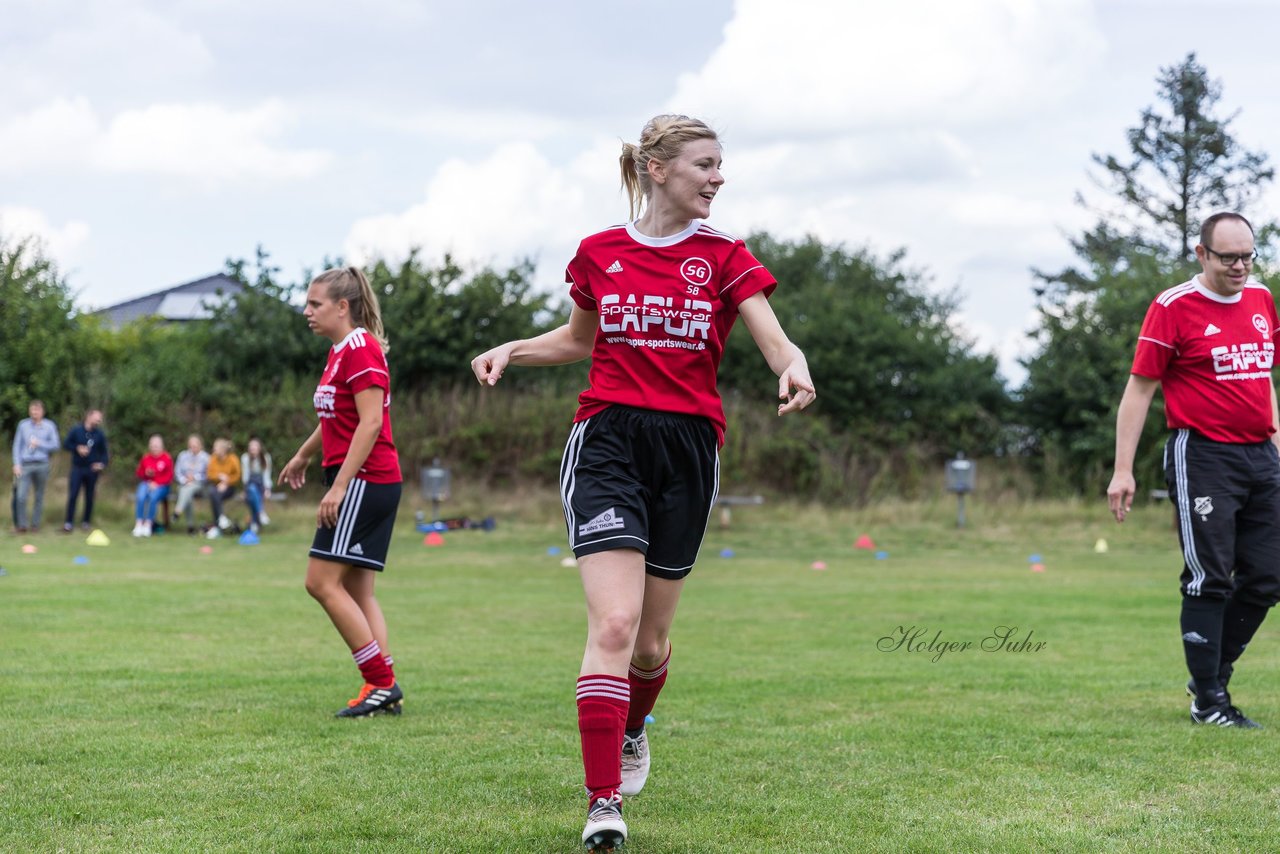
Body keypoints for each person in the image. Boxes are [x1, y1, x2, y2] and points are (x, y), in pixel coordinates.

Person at [470, 114, 816, 851]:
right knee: (615, 625)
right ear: (657, 169)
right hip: (608, 442)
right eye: (705, 164)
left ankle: (632, 726)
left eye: (721, 165)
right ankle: (602, 805)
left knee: (651, 646)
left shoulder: (724, 254)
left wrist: (793, 365)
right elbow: (577, 341)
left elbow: (773, 337)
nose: (718, 177)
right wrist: (514, 348)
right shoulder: (600, 252)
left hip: (689, 449)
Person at [1107, 211, 1280, 729]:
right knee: (1209, 579)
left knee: (1270, 575)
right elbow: (1139, 390)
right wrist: (1123, 470)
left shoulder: (1262, 299)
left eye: (1248, 255)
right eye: (1228, 257)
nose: (1240, 266)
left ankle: (1210, 673)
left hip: (1260, 456)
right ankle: (1209, 701)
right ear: (1202, 254)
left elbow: (1263, 377)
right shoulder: (1173, 307)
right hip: (1202, 455)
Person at [278, 266, 404, 718]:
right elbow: (337, 419)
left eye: (315, 304)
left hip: (364, 481)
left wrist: (340, 487)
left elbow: (371, 423)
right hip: (366, 480)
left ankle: (381, 682)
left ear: (342, 307)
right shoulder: (340, 352)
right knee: (357, 589)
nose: (306, 311)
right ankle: (383, 685)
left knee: (319, 582)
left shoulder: (360, 349)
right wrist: (304, 455)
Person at [12, 400, 61, 533]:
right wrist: (16, 463)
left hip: (42, 464)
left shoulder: (49, 426)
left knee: (39, 495)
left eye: (37, 410)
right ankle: (22, 525)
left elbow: (56, 445)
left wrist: (40, 443)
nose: (34, 413)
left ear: (42, 412)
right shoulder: (23, 425)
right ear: (29, 411)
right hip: (25, 464)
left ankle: (35, 525)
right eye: (32, 410)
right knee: (21, 496)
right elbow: (17, 445)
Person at [62, 408, 109, 532]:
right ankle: (68, 523)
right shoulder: (76, 430)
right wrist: (77, 448)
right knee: (73, 495)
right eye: (97, 417)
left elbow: (104, 453)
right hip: (77, 468)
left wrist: (102, 464)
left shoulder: (100, 434)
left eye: (100, 419)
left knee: (89, 497)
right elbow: (66, 444)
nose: (99, 420)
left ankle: (86, 522)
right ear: (89, 416)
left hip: (92, 470)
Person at [132, 434, 173, 537]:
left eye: (156, 446)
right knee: (141, 495)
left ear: (161, 446)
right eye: (152, 446)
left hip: (162, 486)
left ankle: (148, 524)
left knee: (153, 497)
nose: (154, 448)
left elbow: (169, 476)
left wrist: (157, 483)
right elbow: (139, 473)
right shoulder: (146, 458)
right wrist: (146, 473)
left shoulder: (167, 458)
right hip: (147, 483)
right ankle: (139, 523)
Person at [173, 434, 210, 535]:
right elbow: (177, 472)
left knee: (187, 489)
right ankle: (190, 527)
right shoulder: (183, 455)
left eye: (195, 446)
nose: (192, 448)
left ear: (200, 445)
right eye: (190, 446)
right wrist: (185, 480)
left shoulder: (206, 457)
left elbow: (208, 475)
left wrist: (195, 478)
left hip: (200, 486)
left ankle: (178, 510)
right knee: (186, 493)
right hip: (184, 484)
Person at [205, 438, 241, 538]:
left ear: (222, 449)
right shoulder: (213, 458)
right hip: (216, 487)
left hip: (230, 488)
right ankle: (221, 519)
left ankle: (218, 525)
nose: (214, 450)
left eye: (215, 448)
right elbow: (209, 474)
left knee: (214, 495)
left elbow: (237, 476)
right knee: (213, 493)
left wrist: (226, 482)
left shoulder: (233, 459)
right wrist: (219, 476)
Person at [240, 437, 273, 532]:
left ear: (259, 448)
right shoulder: (245, 458)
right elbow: (245, 477)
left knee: (253, 496)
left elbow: (267, 475)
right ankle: (260, 513)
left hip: (261, 486)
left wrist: (267, 489)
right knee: (251, 490)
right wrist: (244, 491)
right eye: (251, 448)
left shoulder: (266, 458)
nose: (253, 450)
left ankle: (254, 523)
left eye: (255, 447)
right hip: (250, 486)